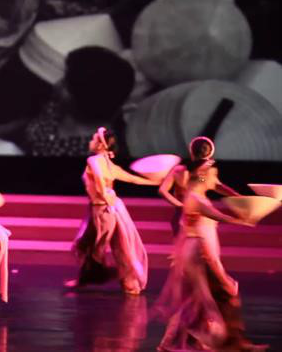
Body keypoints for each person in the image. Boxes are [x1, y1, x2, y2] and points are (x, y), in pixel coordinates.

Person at [154, 160, 267, 351]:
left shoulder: (195, 193)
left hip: (197, 250)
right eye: (213, 176)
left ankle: (172, 343)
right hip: (198, 252)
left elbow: (212, 194)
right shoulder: (196, 199)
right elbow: (217, 215)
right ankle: (229, 342)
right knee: (220, 295)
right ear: (202, 176)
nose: (216, 181)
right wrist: (243, 221)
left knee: (196, 300)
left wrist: (241, 203)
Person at [66, 127, 159, 294]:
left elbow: (100, 180)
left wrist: (103, 194)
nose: (90, 141)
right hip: (103, 208)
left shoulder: (93, 160)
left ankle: (112, 276)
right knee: (101, 245)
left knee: (96, 248)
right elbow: (133, 179)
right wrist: (156, 183)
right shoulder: (109, 165)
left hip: (103, 210)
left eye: (94, 139)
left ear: (101, 145)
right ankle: (119, 280)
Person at [158, 136, 240, 236]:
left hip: (193, 216)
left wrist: (179, 205)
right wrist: (237, 196)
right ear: (209, 154)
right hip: (193, 217)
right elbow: (216, 186)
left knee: (187, 243)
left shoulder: (182, 171)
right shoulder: (195, 173)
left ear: (192, 152)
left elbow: (163, 190)